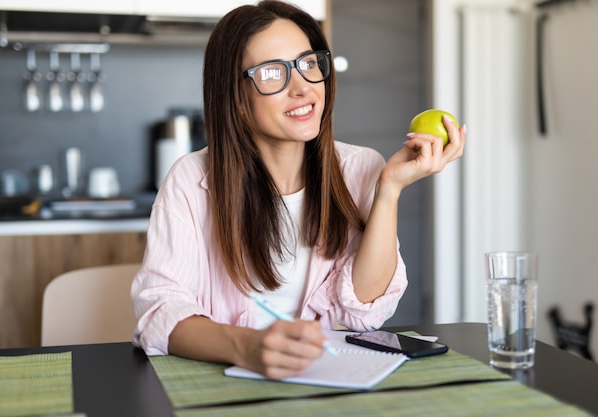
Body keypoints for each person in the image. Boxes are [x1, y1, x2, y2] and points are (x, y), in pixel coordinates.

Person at [131, 0, 466, 380]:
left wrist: (389, 188)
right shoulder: (191, 180)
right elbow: (160, 312)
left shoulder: (361, 169)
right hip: (218, 385)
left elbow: (364, 309)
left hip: (326, 380)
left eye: (308, 64)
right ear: (236, 96)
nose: (302, 87)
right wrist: (248, 347)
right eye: (273, 72)